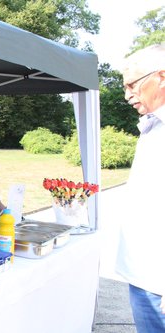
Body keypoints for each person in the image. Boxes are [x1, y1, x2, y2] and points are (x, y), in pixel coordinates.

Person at [115, 43, 165, 332]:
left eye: (133, 83)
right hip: (144, 275)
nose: (127, 94)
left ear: (161, 76)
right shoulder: (152, 125)